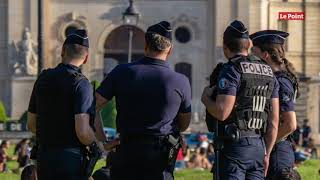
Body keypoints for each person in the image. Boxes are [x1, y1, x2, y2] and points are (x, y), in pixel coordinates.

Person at [95, 21, 192, 180]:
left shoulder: (122, 72)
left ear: (145, 45)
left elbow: (92, 106)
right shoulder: (180, 81)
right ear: (170, 49)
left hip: (127, 151)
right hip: (160, 156)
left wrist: (102, 141)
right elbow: (184, 124)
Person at [27, 30, 118, 180]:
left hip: (44, 158)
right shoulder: (81, 84)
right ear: (86, 58)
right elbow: (82, 131)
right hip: (71, 160)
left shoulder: (43, 79)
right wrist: (97, 145)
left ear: (63, 51)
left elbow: (31, 124)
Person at [201, 20, 280, 180]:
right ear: (248, 45)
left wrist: (206, 99)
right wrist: (267, 153)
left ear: (225, 47)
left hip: (235, 146)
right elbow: (274, 121)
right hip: (258, 145)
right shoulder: (268, 72)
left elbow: (222, 112)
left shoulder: (231, 69)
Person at [249, 30, 299, 179]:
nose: (251, 56)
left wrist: (265, 147)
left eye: (254, 51)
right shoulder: (275, 78)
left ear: (265, 55)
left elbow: (290, 124)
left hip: (277, 152)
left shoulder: (280, 81)